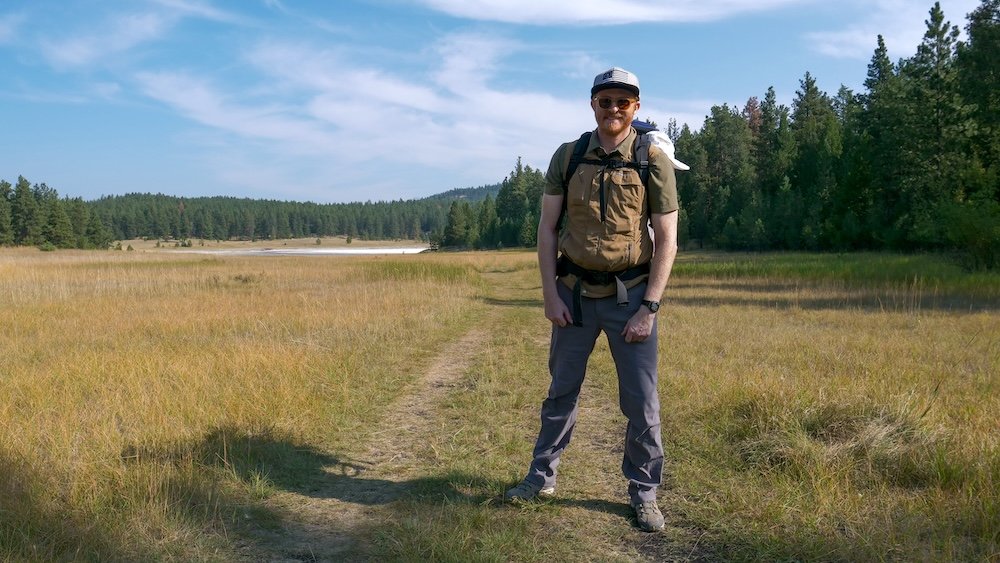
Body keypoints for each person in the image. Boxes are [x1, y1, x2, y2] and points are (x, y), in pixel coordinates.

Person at [504, 67, 686, 533]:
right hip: (574, 298)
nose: (614, 109)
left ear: (636, 108)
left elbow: (667, 237)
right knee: (560, 393)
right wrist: (550, 295)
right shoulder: (568, 157)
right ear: (593, 104)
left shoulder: (652, 160)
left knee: (642, 402)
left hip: (632, 299)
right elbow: (547, 229)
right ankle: (540, 479)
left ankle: (644, 494)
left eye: (623, 102)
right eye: (605, 100)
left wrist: (651, 307)